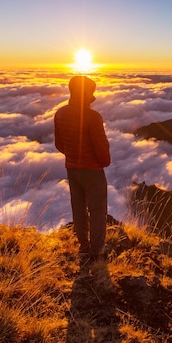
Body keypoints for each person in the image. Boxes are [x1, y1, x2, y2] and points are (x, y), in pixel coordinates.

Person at [54, 76, 111, 260]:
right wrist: (103, 162)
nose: (93, 95)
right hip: (93, 171)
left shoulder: (60, 113)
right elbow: (101, 149)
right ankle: (97, 250)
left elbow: (59, 144)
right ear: (84, 92)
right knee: (97, 210)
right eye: (91, 91)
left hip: (72, 169)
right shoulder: (93, 117)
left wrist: (72, 157)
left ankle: (84, 246)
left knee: (78, 207)